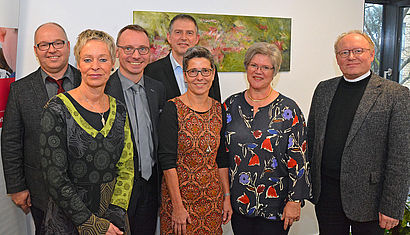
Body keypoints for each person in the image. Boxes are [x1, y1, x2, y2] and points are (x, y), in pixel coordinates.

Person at [308, 30, 410, 235]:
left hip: (370, 198)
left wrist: (392, 206)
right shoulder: (323, 90)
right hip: (327, 194)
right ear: (337, 58)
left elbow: (401, 156)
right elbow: (311, 139)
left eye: (358, 51)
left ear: (371, 55)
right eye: (344, 52)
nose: (351, 57)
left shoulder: (396, 95)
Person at [40, 29, 134, 234]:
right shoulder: (57, 108)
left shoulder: (120, 109)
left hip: (113, 218)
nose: (95, 67)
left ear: (112, 64)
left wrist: (115, 213)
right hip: (69, 220)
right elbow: (55, 177)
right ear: (79, 63)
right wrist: (92, 224)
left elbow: (126, 166)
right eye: (88, 59)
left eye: (102, 59)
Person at [1, 22, 81, 234]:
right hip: (42, 193)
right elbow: (11, 142)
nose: (52, 49)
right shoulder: (20, 90)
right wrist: (17, 187)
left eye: (57, 43)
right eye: (44, 45)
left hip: (86, 191)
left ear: (68, 46)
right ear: (36, 51)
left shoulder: (89, 81)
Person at [224, 42, 310, 235]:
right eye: (254, 65)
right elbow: (222, 154)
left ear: (274, 72)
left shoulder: (289, 109)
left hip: (276, 207)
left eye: (265, 67)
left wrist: (295, 200)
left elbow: (299, 158)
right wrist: (225, 196)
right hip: (239, 202)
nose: (258, 71)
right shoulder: (230, 105)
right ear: (246, 67)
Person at [158, 46, 232, 235]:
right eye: (193, 71)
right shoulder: (172, 109)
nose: (200, 77)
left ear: (213, 74)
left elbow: (221, 158)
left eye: (205, 71)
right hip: (180, 203)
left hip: (212, 202)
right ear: (185, 75)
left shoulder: (219, 109)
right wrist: (178, 206)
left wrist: (226, 197)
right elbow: (167, 162)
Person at [105, 24, 166, 235]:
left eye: (142, 49)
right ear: (117, 52)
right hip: (116, 189)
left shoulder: (157, 89)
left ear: (149, 52)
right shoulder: (103, 90)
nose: (136, 55)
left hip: (151, 185)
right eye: (128, 48)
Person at [145, 14, 221, 101]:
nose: (184, 38)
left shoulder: (208, 70)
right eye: (178, 32)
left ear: (197, 39)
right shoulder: (151, 72)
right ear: (169, 37)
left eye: (189, 33)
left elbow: (216, 105)